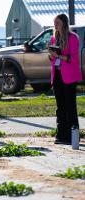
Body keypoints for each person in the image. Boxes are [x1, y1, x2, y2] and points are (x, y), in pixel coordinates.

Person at [48, 14, 82, 144]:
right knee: (60, 106)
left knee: (70, 106)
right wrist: (51, 56)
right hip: (56, 75)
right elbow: (52, 59)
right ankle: (61, 135)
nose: (55, 25)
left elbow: (73, 59)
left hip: (69, 77)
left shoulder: (73, 38)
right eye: (54, 23)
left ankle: (73, 137)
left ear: (64, 23)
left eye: (57, 23)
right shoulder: (53, 38)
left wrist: (59, 56)